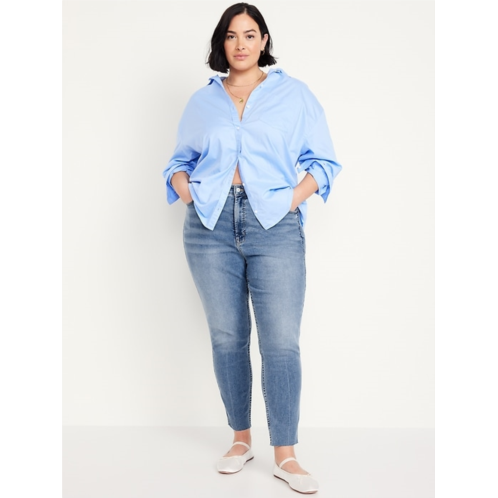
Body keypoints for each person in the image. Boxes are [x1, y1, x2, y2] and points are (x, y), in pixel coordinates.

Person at [163, 3, 342, 494]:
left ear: (264, 40)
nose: (240, 44)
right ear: (221, 44)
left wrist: (290, 201)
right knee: (227, 337)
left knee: (281, 341)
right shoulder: (203, 101)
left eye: (249, 34)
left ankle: (286, 454)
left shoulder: (294, 95)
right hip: (209, 225)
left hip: (275, 225)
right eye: (230, 35)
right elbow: (178, 161)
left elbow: (324, 161)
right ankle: (240, 440)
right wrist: (187, 190)